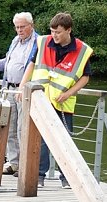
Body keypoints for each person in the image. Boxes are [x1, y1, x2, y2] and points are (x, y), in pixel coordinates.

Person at [18, 12, 93, 188]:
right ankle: (38, 176)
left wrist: (69, 93)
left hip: (63, 102)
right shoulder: (43, 42)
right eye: (52, 31)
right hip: (41, 99)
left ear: (69, 30)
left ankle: (67, 179)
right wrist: (22, 86)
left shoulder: (82, 50)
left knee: (65, 141)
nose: (54, 35)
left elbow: (85, 77)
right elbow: (31, 64)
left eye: (58, 32)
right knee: (40, 139)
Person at [0, 12, 37, 176]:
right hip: (9, 88)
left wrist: (23, 87)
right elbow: (8, 62)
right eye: (17, 27)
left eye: (22, 27)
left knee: (22, 128)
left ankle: (26, 164)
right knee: (9, 126)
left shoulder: (38, 42)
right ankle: (14, 162)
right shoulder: (15, 41)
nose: (19, 30)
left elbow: (35, 65)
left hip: (25, 90)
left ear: (31, 25)